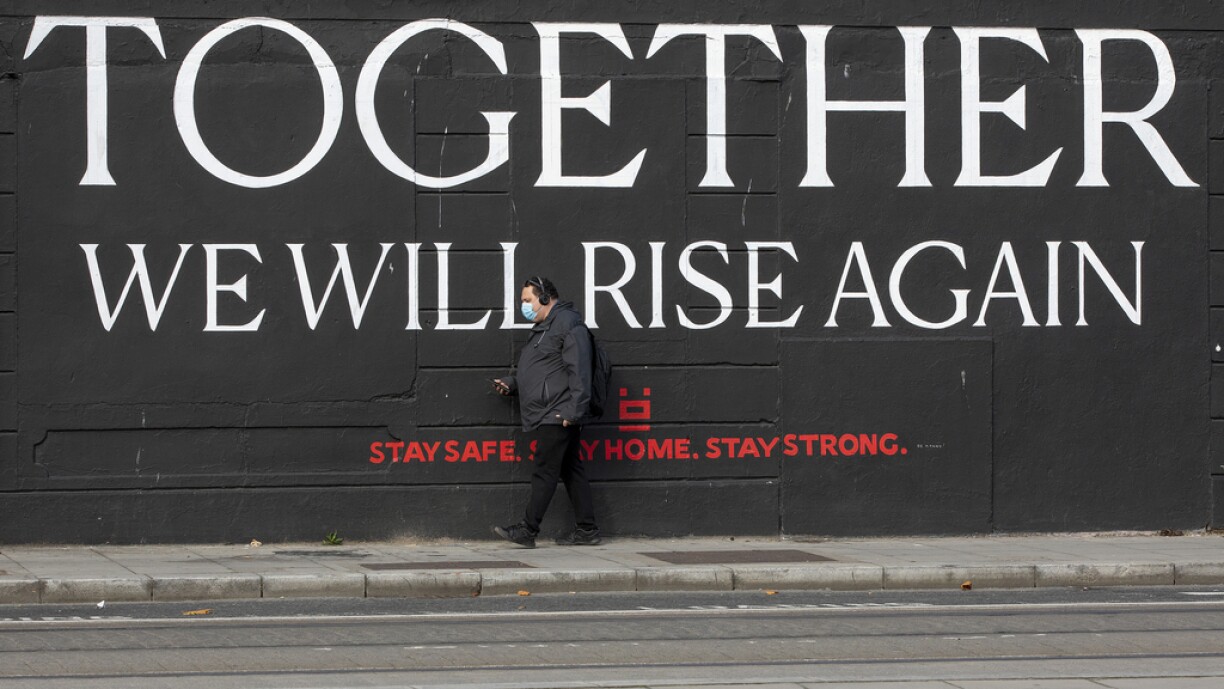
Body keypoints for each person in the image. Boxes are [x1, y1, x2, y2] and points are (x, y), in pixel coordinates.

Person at [491, 276, 602, 548]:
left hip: (558, 412)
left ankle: (528, 530)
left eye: (527, 300)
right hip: (553, 409)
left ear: (544, 299)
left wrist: (573, 411)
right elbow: (545, 371)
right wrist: (514, 384)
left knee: (544, 470)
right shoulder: (545, 327)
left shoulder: (568, 325)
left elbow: (580, 371)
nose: (524, 306)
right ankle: (587, 530)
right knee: (571, 469)